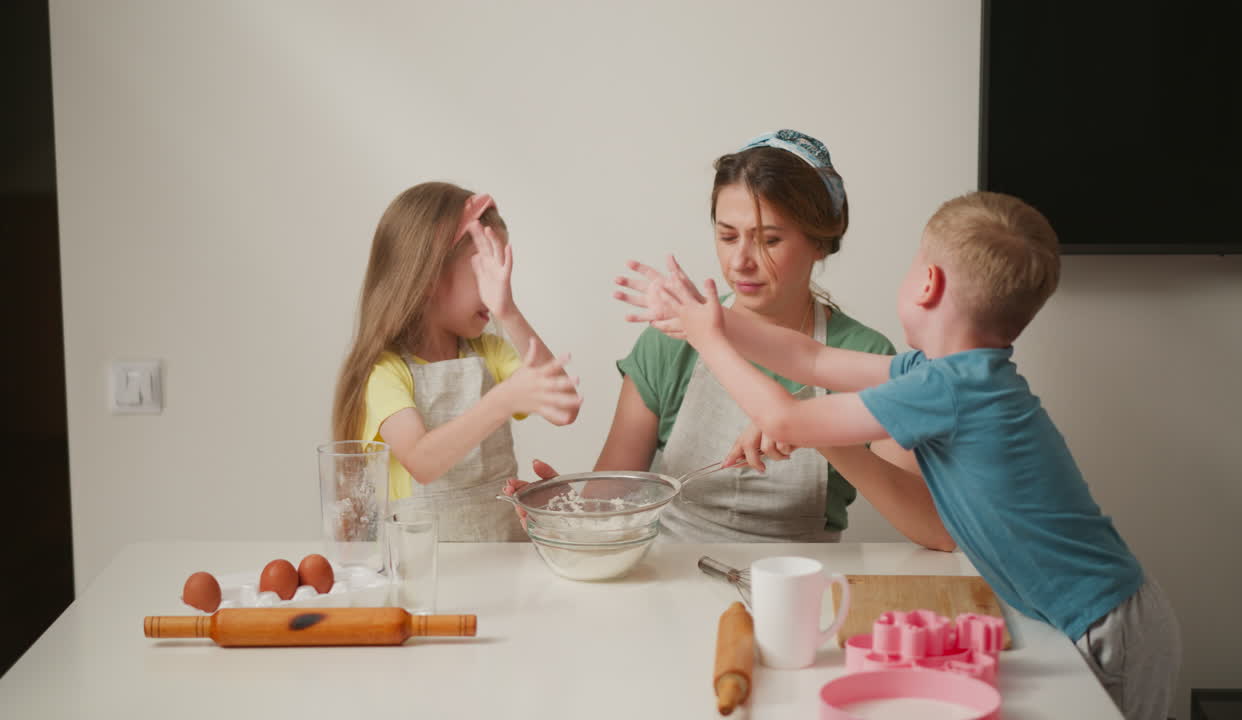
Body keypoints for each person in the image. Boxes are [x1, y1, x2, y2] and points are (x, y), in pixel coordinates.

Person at [642, 191, 1180, 720]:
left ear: (928, 283)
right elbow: (811, 357)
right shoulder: (944, 373)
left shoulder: (951, 388)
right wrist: (709, 318)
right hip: (1093, 614)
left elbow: (787, 420)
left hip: (1109, 624)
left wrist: (709, 341)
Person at [511, 130, 953, 549]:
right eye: (726, 236)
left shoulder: (865, 357)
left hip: (803, 589)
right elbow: (613, 495)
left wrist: (813, 428)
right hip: (670, 583)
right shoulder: (670, 340)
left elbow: (933, 529)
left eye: (770, 240)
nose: (740, 261)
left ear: (821, 242)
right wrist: (568, 512)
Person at [332, 182, 582, 541]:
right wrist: (501, 401)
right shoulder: (384, 372)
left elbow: (565, 408)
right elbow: (422, 461)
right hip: (425, 565)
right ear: (430, 274)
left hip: (502, 551)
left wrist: (507, 310)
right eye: (484, 271)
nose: (499, 283)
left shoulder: (490, 352)